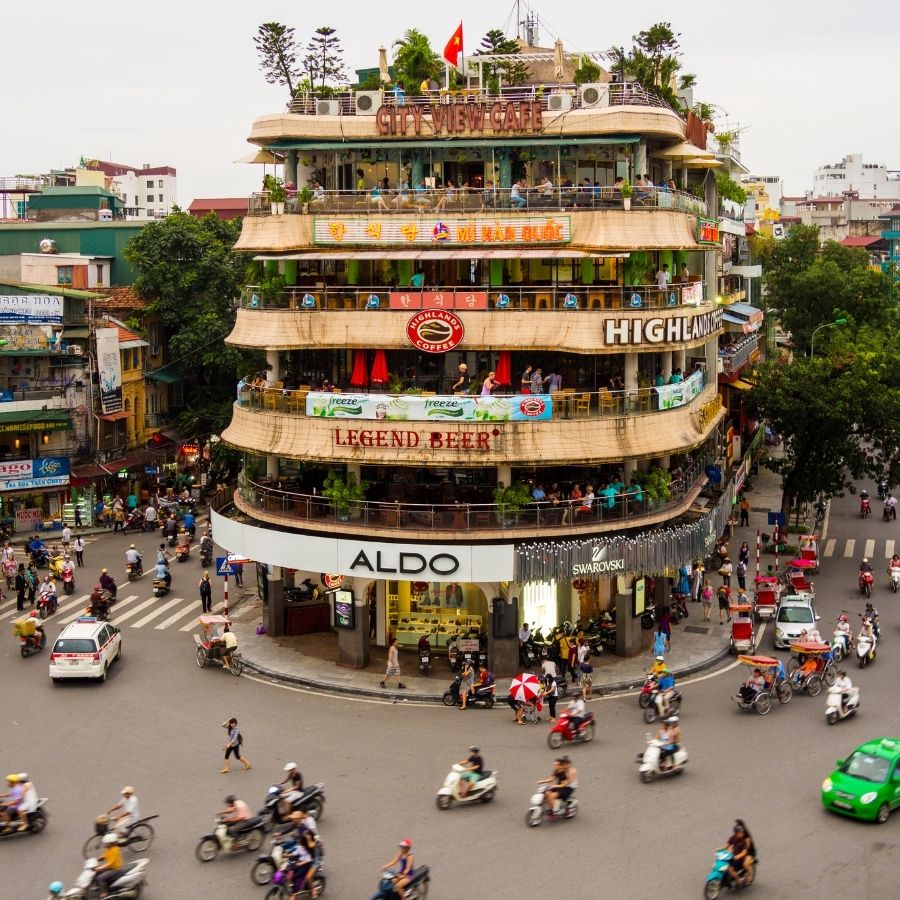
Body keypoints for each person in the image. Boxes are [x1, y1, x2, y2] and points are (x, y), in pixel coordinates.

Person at [720, 819, 754, 887]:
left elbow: (745, 851)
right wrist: (718, 849)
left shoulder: (745, 840)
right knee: (723, 863)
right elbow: (726, 846)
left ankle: (739, 879)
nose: (742, 833)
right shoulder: (732, 838)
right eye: (740, 832)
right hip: (735, 855)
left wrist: (738, 856)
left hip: (742, 857)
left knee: (731, 868)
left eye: (742, 832)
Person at [94, 833, 125, 897]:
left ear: (110, 843)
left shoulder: (115, 850)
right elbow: (105, 855)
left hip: (115, 869)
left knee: (100, 877)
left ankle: (104, 892)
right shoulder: (109, 849)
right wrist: (98, 859)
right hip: (111, 867)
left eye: (105, 843)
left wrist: (100, 867)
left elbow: (110, 863)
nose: (104, 844)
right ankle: (99, 886)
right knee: (96, 872)